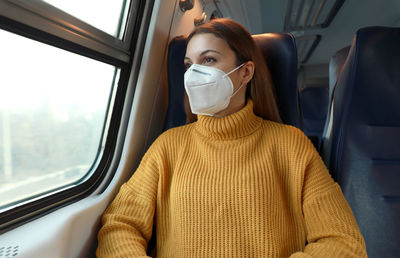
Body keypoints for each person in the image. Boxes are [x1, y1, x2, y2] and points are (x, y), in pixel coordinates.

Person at [96, 18, 367, 257]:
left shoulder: (291, 145)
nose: (193, 75)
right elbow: (120, 225)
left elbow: (343, 241)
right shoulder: (168, 146)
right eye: (189, 64)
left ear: (246, 72)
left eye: (209, 60)